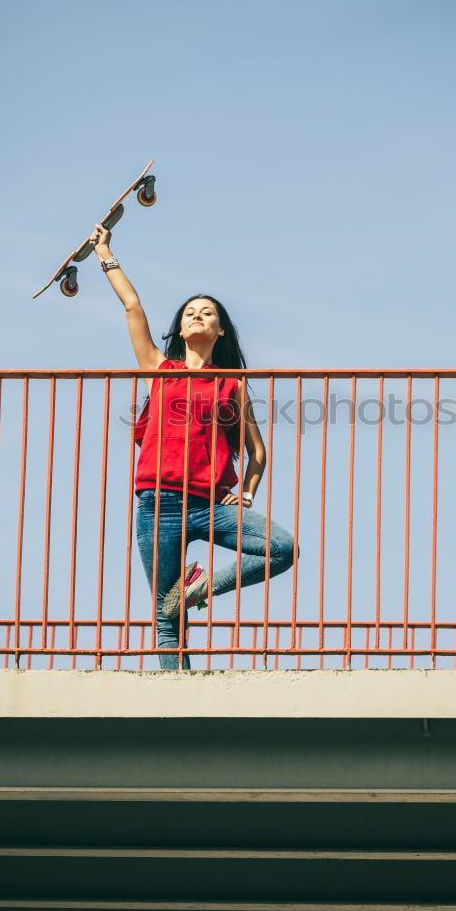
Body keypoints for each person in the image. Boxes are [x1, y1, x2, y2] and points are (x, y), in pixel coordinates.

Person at [91, 223, 296, 669]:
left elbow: (257, 451)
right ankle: (178, 701)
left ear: (220, 331)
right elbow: (132, 306)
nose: (197, 315)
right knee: (168, 620)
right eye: (189, 312)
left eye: (206, 313)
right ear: (181, 329)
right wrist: (106, 254)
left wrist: (248, 490)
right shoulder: (159, 367)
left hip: (211, 503)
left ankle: (201, 588)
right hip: (157, 504)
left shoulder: (230, 384)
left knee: (282, 548)